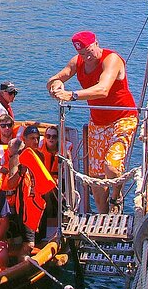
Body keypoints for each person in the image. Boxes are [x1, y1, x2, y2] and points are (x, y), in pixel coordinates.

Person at [47, 30, 138, 214]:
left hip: (123, 118)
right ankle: (103, 215)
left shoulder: (111, 59)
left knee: (111, 165)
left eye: (89, 51)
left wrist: (71, 95)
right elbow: (56, 78)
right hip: (98, 122)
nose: (87, 57)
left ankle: (116, 197)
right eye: (82, 54)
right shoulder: (78, 61)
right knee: (96, 178)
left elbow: (103, 89)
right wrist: (56, 86)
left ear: (96, 43)